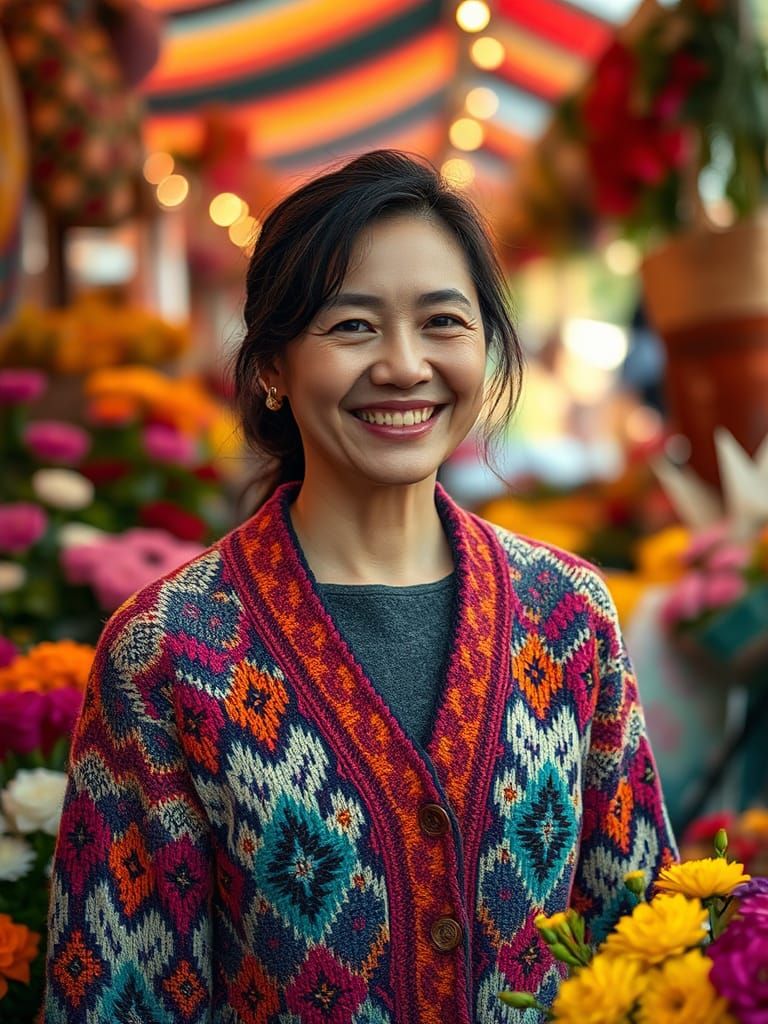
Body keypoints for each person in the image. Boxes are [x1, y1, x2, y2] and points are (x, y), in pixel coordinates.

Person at [44, 150, 676, 1024]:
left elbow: (651, 947)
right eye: (352, 327)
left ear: (487, 344)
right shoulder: (168, 650)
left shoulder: (569, 616)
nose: (404, 366)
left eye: (444, 321)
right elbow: (115, 998)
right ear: (271, 365)